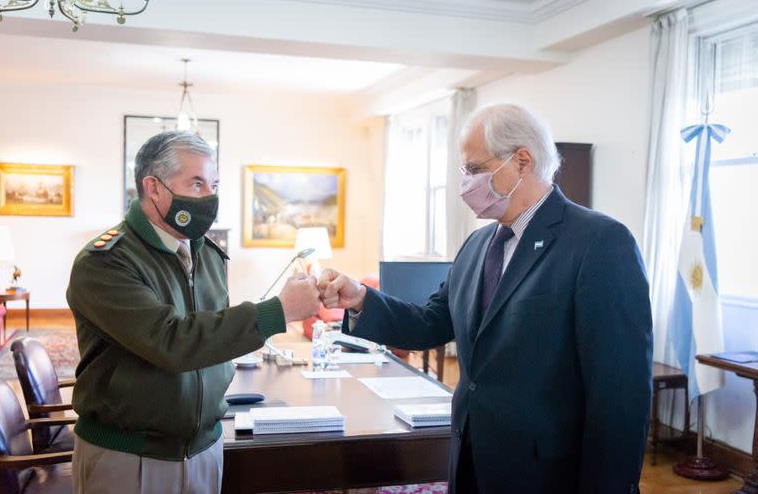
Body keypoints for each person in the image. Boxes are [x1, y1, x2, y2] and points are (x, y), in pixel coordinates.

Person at [318, 103, 653, 494]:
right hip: (471, 460)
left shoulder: (599, 242)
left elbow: (620, 396)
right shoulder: (478, 244)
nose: (465, 183)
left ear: (522, 161)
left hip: (546, 475)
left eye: (474, 169)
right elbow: (432, 321)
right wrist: (359, 298)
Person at [66, 131, 320, 494]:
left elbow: (210, 337)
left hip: (204, 449)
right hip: (129, 456)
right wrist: (276, 312)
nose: (209, 197)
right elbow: (171, 341)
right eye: (196, 183)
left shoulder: (208, 256)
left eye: (214, 184)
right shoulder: (105, 262)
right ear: (153, 187)